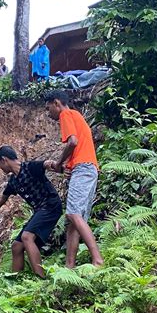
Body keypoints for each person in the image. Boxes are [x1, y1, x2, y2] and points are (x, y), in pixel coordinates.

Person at [0, 145, 62, 278]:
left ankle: (41, 279)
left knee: (27, 236)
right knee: (17, 246)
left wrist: (57, 165)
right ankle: (15, 282)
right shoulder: (13, 181)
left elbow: (45, 164)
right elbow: (3, 197)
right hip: (40, 210)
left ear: (4, 160)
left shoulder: (29, 167)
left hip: (51, 205)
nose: (0, 167)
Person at [45, 90, 104, 268]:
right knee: (75, 221)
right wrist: (65, 167)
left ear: (57, 103)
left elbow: (72, 142)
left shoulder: (66, 114)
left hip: (84, 168)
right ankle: (69, 267)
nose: (49, 113)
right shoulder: (77, 116)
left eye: (48, 108)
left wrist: (58, 162)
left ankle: (98, 259)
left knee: (73, 214)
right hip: (87, 168)